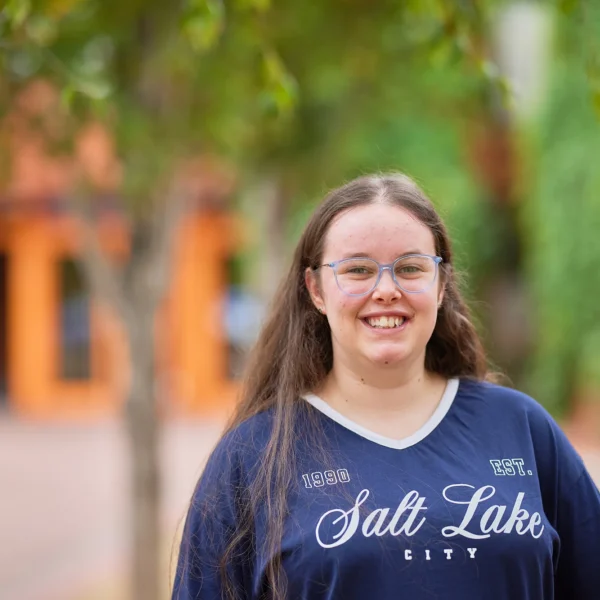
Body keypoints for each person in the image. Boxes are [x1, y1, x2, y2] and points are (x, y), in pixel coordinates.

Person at [172, 173, 600, 600]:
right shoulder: (253, 457)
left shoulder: (521, 429)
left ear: (440, 285)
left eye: (410, 268)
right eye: (358, 270)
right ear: (316, 289)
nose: (386, 290)